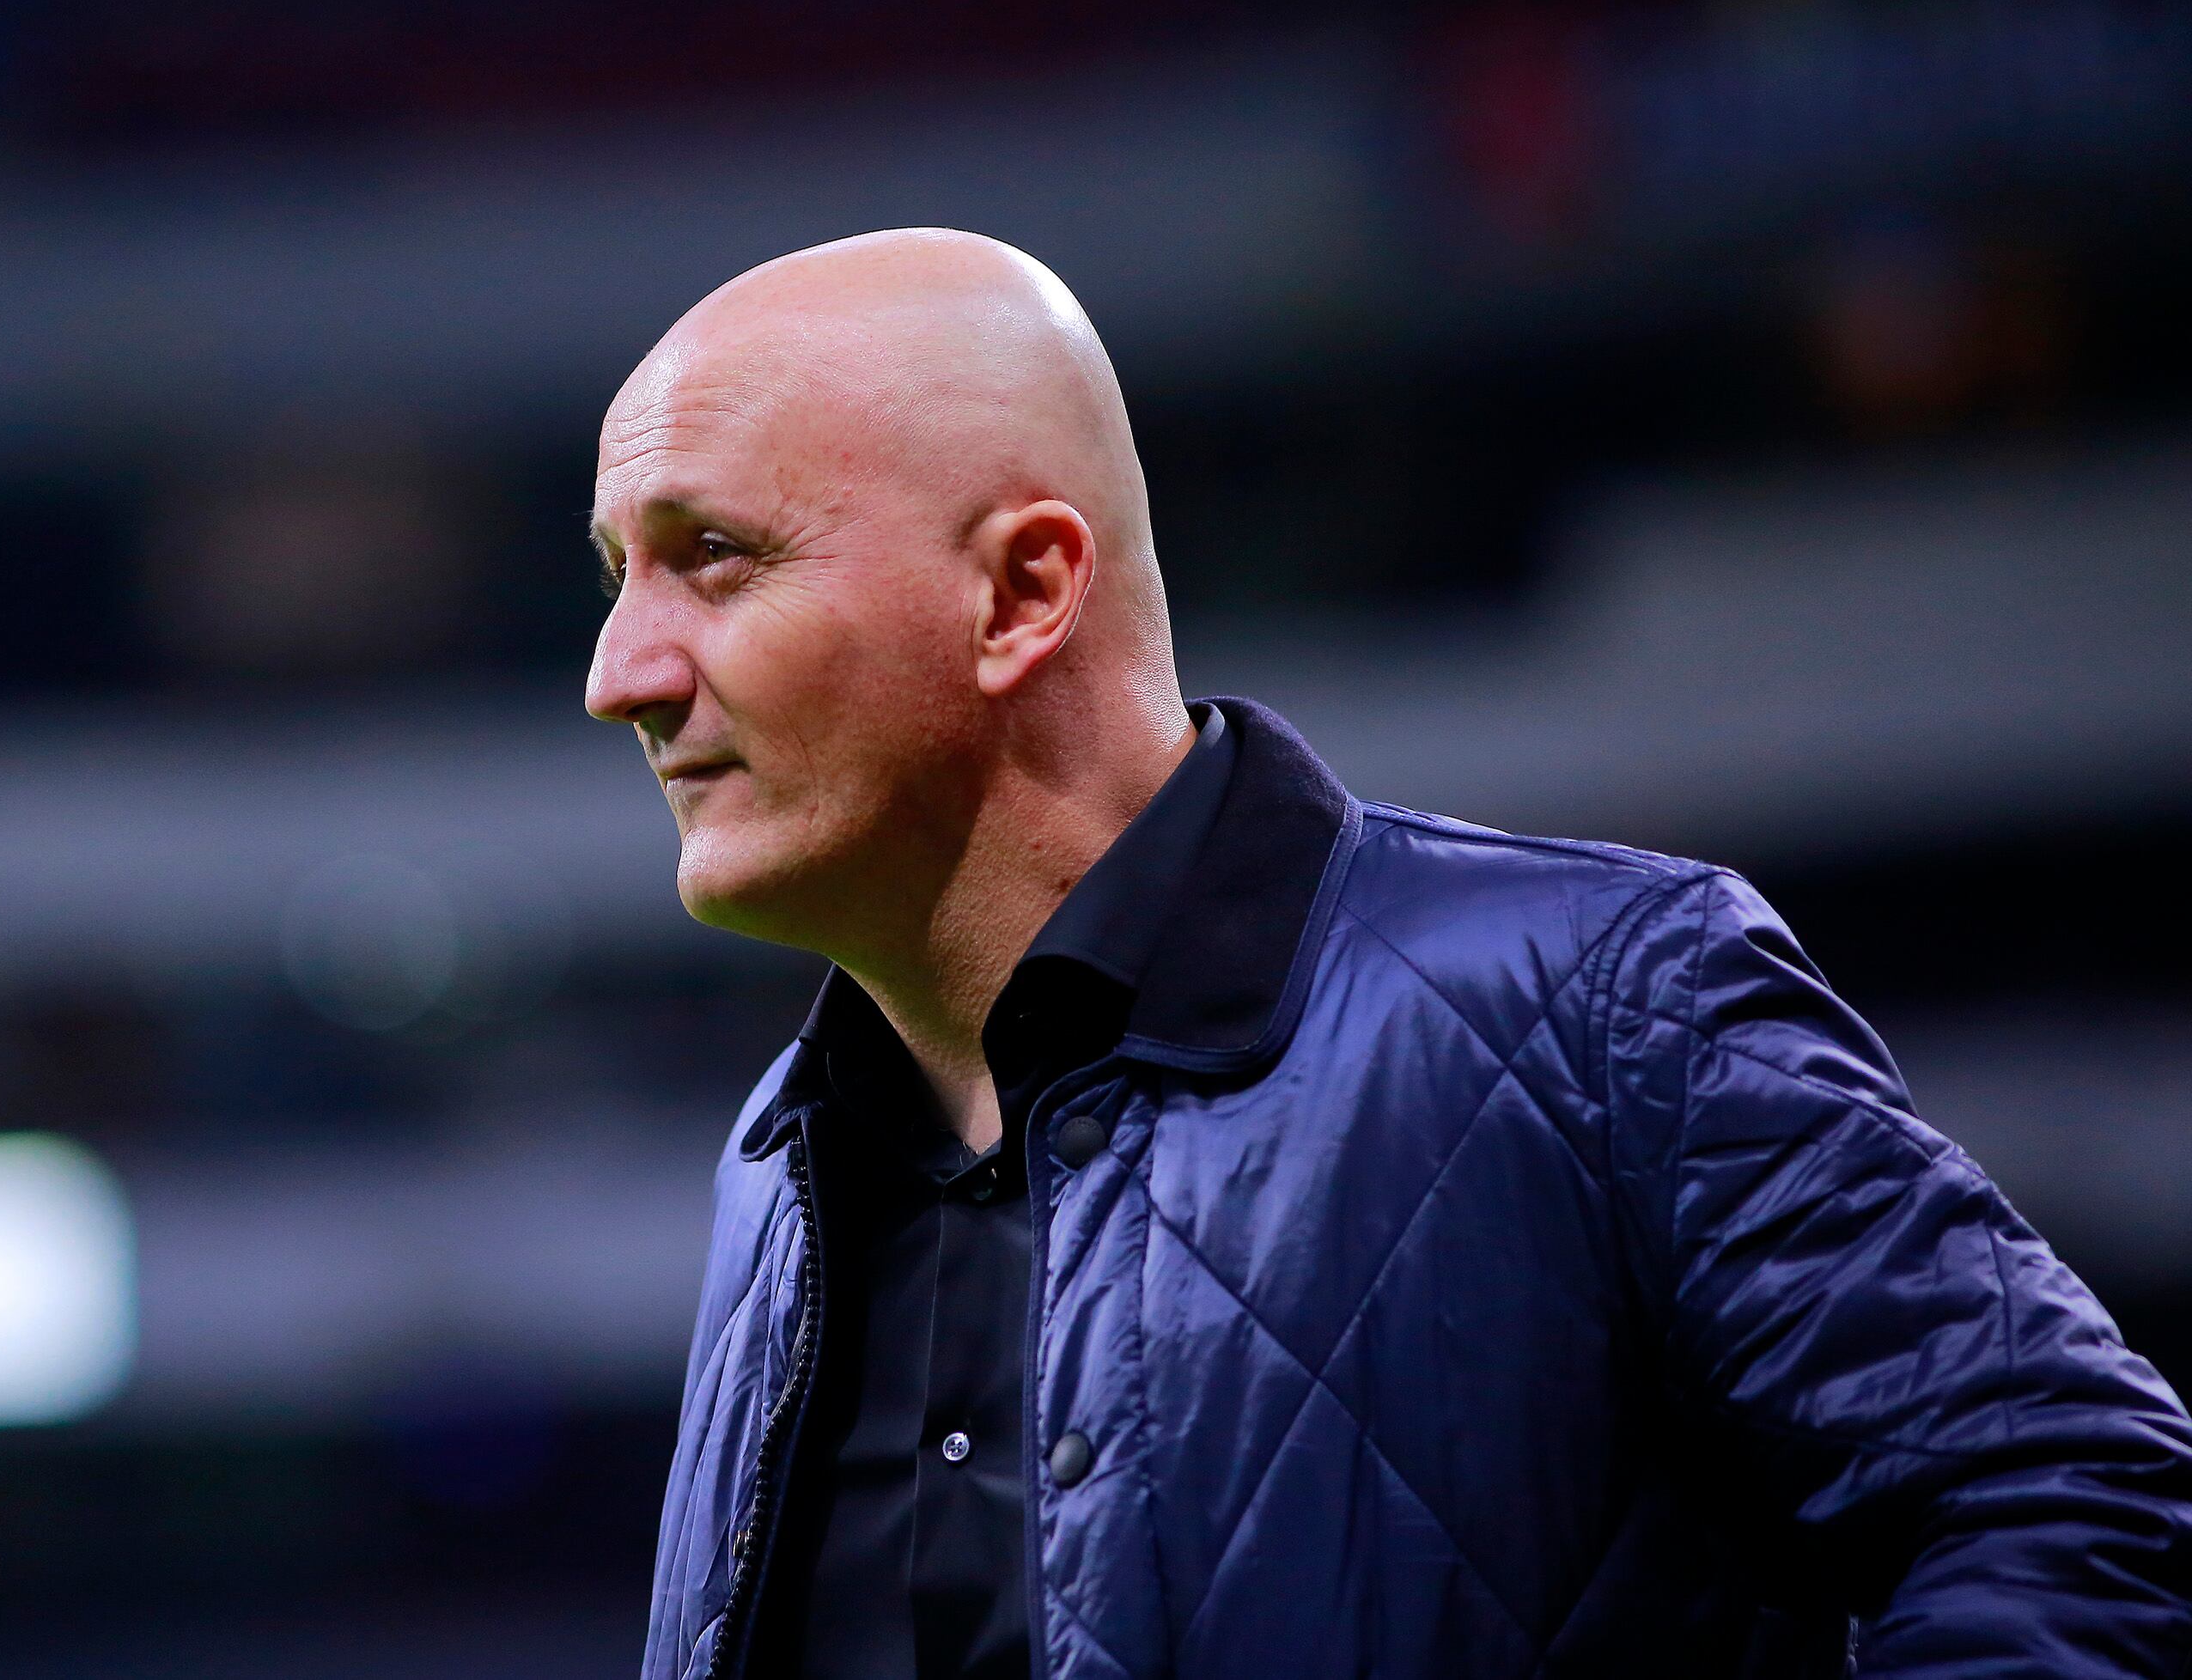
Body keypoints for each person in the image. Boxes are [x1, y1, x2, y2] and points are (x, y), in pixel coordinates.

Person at [585, 228, 2192, 1680]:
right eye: (615, 577)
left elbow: (2076, 1499)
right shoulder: (779, 1164)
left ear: (1022, 590)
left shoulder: (1602, 1000)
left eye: (712, 554)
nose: (619, 674)